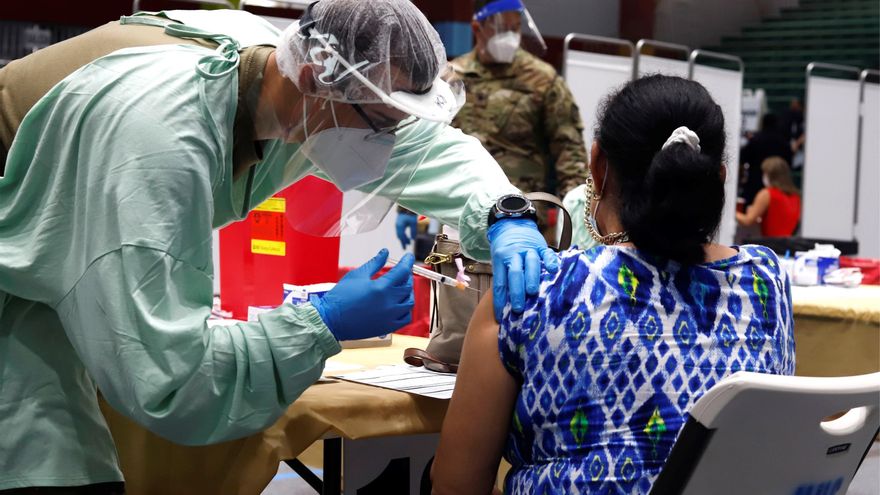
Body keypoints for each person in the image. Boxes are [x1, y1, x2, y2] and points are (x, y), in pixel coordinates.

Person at [0, 1, 560, 491]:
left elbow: (431, 148)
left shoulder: (292, 85)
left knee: (63, 452)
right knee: (44, 465)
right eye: (380, 125)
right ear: (315, 76)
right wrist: (321, 321)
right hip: (17, 260)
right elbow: (171, 380)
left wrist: (505, 214)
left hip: (48, 244)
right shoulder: (158, 140)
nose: (387, 147)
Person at [432, 75, 796, 494]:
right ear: (719, 178)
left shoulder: (532, 292)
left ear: (598, 166)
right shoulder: (767, 283)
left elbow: (454, 486)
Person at [448, 0, 589, 239]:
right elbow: (428, 139)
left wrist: (576, 215)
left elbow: (569, 150)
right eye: (502, 28)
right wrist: (408, 206)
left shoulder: (542, 79)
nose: (510, 36)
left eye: (515, 28)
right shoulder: (453, 77)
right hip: (462, 217)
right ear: (477, 27)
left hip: (525, 218)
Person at [736, 156, 801, 237]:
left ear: (770, 175)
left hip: (770, 244)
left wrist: (732, 212)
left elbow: (747, 220)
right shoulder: (796, 197)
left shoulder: (767, 194)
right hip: (788, 246)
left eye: (764, 173)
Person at [740, 112, 793, 206]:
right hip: (779, 186)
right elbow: (789, 164)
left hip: (755, 185)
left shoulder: (756, 140)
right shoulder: (784, 143)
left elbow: (742, 158)